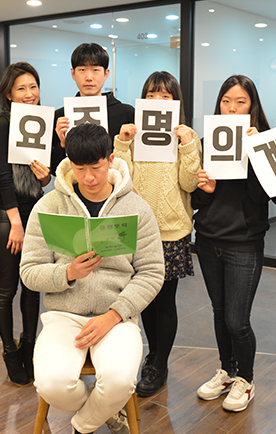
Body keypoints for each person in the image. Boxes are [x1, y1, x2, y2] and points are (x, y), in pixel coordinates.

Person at [20, 122, 164, 434]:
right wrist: (68, 273)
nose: (89, 177)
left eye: (96, 167)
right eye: (80, 168)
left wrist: (114, 315)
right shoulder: (49, 206)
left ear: (111, 160)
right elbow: (29, 271)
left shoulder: (136, 208)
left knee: (120, 380)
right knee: (50, 383)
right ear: (69, 164)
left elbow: (152, 272)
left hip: (118, 316)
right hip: (63, 315)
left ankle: (83, 425)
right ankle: (104, 412)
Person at [112, 71, 201, 397]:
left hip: (171, 230)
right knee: (143, 300)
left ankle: (159, 363)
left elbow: (190, 184)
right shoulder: (132, 136)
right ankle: (152, 356)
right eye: (152, 95)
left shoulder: (187, 137)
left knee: (164, 301)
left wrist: (188, 146)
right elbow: (120, 180)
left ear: (175, 101)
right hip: (136, 230)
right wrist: (123, 143)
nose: (158, 101)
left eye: (165, 96)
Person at [193, 75, 271, 412]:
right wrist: (204, 190)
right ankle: (227, 371)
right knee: (220, 313)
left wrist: (256, 153)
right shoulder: (206, 142)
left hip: (244, 243)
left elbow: (267, 196)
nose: (232, 109)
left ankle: (246, 379)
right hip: (208, 240)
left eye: (241, 102)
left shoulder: (265, 142)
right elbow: (195, 199)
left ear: (252, 106)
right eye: (226, 101)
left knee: (237, 320)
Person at [0, 62, 51, 385]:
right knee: (7, 288)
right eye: (21, 88)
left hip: (34, 213)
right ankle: (10, 351)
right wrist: (16, 223)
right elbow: (3, 177)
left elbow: (41, 178)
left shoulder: (39, 121)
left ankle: (30, 349)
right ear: (8, 93)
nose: (29, 93)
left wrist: (46, 177)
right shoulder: (1, 123)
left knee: (32, 287)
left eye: (33, 87)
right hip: (7, 218)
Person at [51, 42, 135, 172]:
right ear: (73, 73)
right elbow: (55, 170)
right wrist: (63, 145)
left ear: (106, 73)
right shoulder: (61, 117)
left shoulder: (126, 113)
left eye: (95, 70)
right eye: (82, 70)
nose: (89, 77)